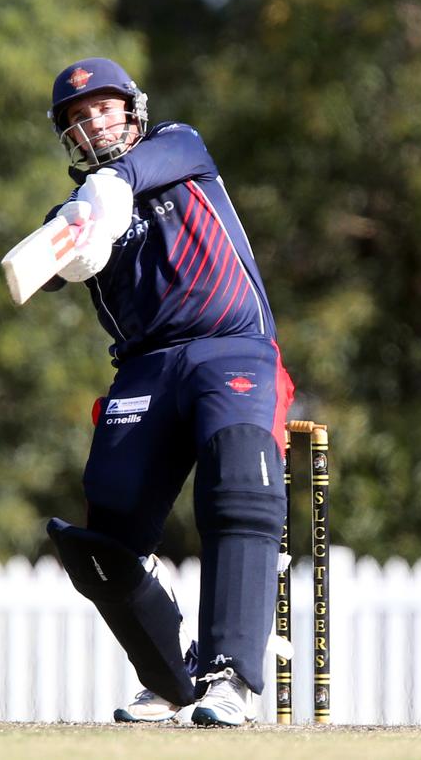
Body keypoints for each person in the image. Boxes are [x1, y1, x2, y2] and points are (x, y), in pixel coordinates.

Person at [42, 57, 295, 727]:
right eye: (77, 115)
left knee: (240, 481)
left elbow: (129, 177)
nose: (93, 120)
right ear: (67, 132)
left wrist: (107, 189)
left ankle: (229, 677)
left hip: (230, 346)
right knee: (109, 530)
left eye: (103, 106)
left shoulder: (179, 147)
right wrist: (63, 238)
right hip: (145, 368)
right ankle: (170, 677)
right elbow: (41, 267)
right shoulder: (75, 213)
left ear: (130, 109)